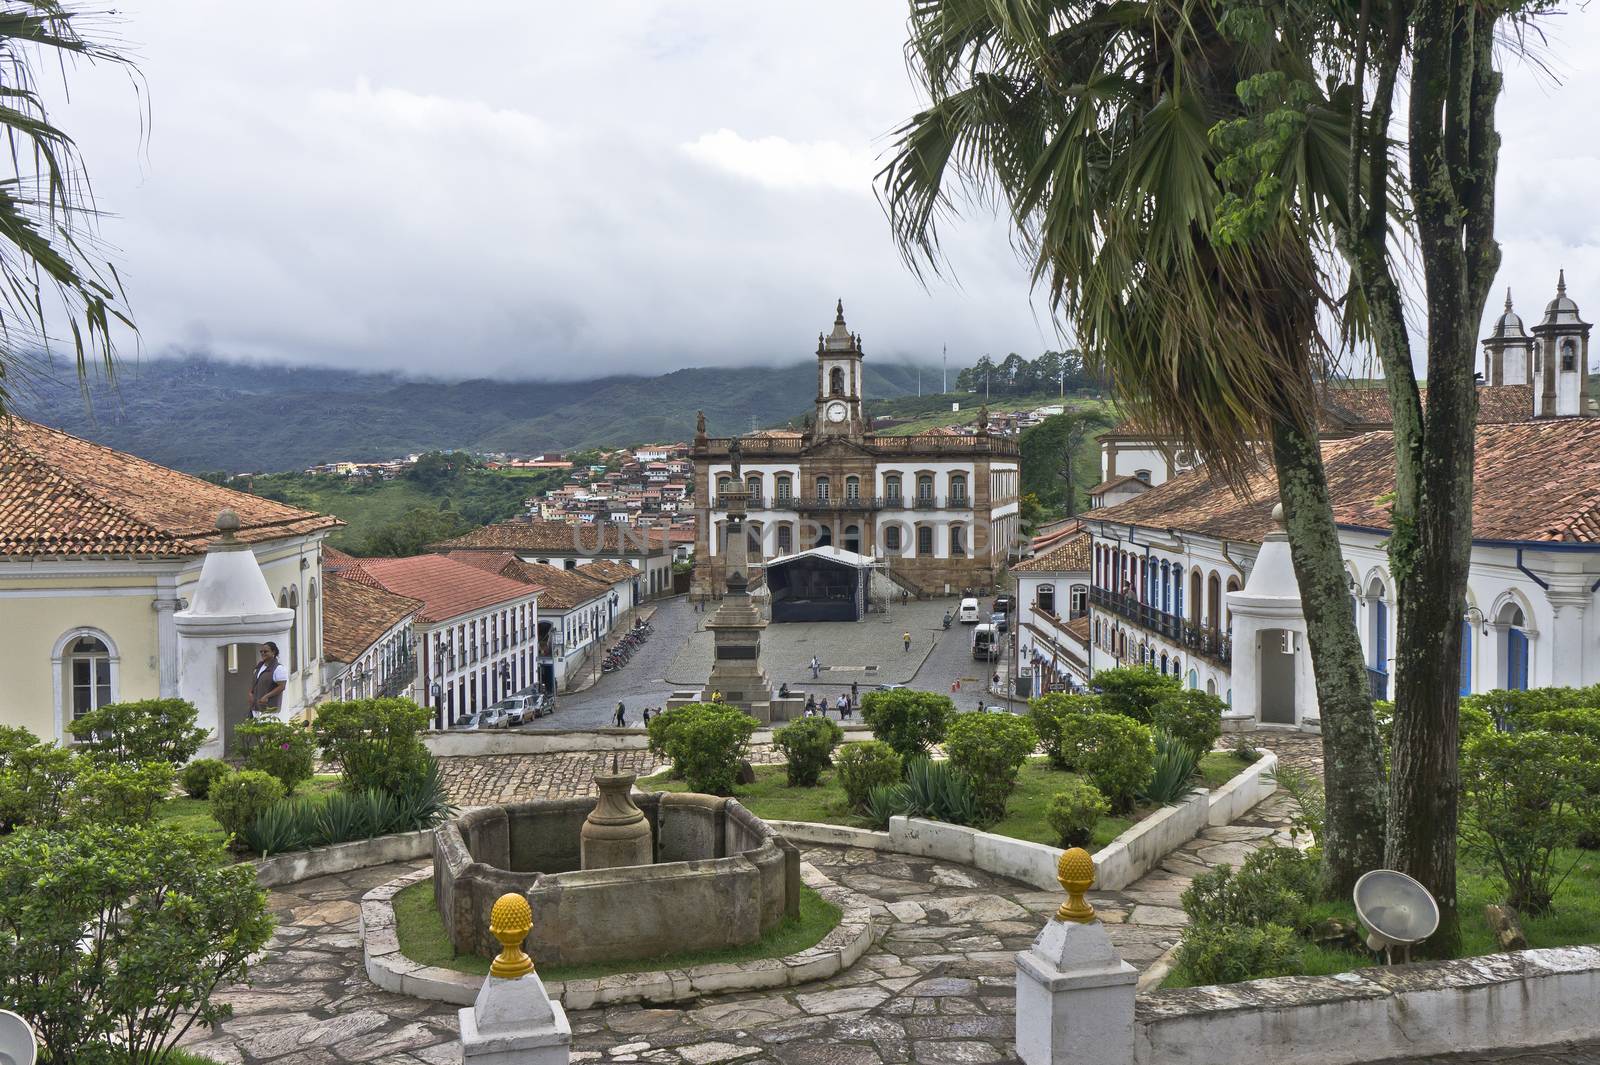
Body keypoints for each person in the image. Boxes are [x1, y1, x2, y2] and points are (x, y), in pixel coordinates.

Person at [248, 642, 288, 717]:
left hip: (269, 710)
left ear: (273, 652)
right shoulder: (259, 666)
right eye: (261, 651)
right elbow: (255, 682)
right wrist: (250, 693)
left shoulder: (279, 669)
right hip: (255, 708)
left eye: (265, 651)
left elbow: (282, 686)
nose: (263, 653)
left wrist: (266, 696)